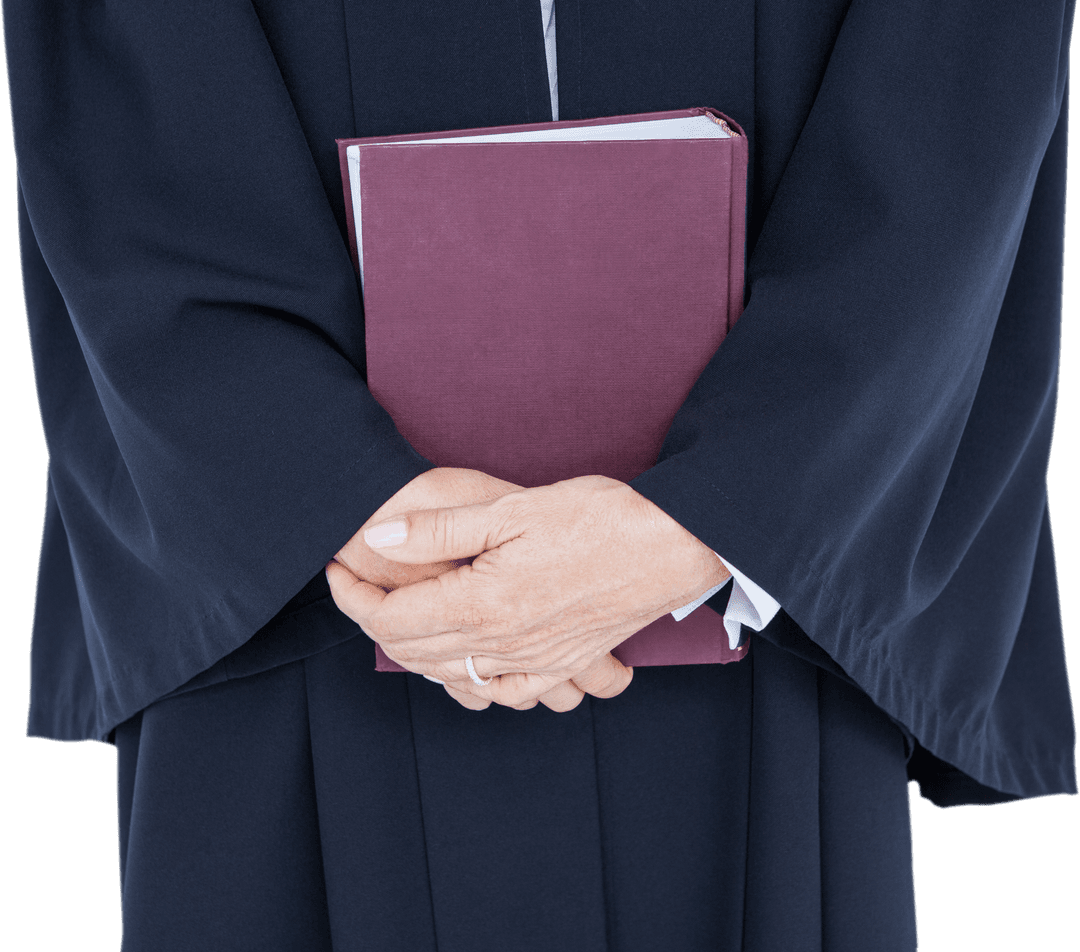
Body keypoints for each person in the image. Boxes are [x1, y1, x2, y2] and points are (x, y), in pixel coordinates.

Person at [3, 1, 1076, 949]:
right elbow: (122, 70)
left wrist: (726, 511)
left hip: (766, 619)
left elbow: (959, 62)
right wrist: (321, 479)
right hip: (307, 609)